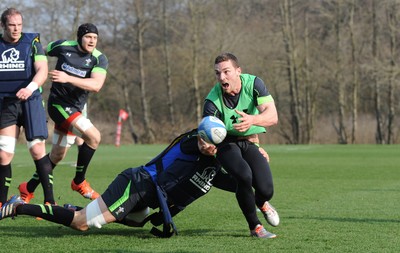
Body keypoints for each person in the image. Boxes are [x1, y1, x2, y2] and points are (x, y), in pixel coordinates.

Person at [0, 128, 277, 239]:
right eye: (203, 138)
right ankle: (19, 208)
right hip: (137, 184)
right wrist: (241, 141)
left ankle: (80, 206)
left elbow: (234, 182)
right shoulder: (190, 144)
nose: (205, 144)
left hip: (148, 196)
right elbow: (210, 140)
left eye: (211, 142)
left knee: (136, 222)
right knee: (83, 223)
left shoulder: (213, 164)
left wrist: (258, 195)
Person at [18, 23, 108, 202]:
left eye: (95, 38)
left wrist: (68, 78)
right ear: (80, 37)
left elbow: (96, 85)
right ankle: (79, 182)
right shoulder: (62, 46)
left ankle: (27, 188)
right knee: (94, 137)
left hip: (77, 109)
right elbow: (40, 52)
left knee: (57, 155)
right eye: (88, 37)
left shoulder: (99, 59)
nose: (92, 41)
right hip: (58, 106)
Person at [202, 52, 280, 238]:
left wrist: (253, 120)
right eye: (217, 73)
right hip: (226, 144)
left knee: (266, 189)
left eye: (226, 71)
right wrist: (205, 145)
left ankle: (261, 203)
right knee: (244, 176)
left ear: (238, 71)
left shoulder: (254, 84)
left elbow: (273, 117)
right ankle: (256, 227)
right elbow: (204, 132)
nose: (222, 77)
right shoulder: (212, 100)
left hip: (248, 141)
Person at [0, 8, 55, 207]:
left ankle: (50, 202)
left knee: (37, 149)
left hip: (31, 102)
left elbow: (42, 70)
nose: (16, 29)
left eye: (19, 25)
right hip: (6, 103)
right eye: (12, 25)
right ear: (3, 26)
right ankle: (1, 203)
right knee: (4, 153)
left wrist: (30, 87)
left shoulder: (33, 43)